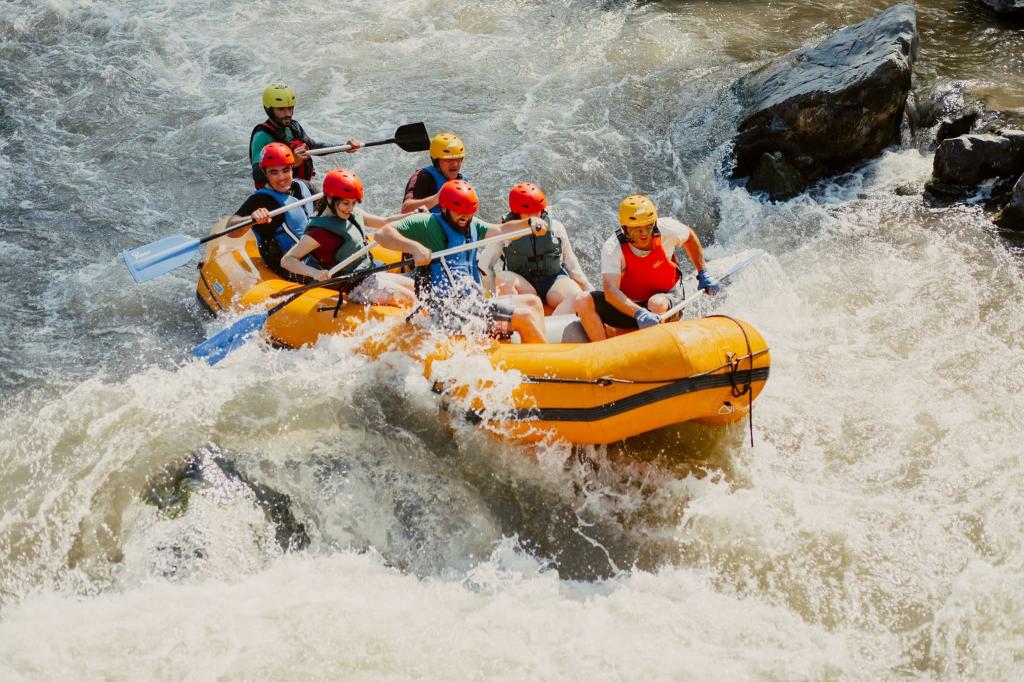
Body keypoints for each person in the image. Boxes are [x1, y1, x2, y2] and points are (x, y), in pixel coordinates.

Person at [374, 179, 549, 344]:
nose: (465, 217)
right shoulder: (426, 224)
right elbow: (382, 234)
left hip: (473, 303)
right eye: (460, 213)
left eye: (469, 213)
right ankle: (542, 359)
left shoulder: (472, 224)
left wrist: (528, 223)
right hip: (448, 312)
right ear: (444, 208)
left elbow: (501, 229)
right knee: (524, 317)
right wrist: (414, 247)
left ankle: (537, 351)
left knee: (533, 303)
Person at [573, 194, 721, 342]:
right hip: (632, 308)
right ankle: (603, 350)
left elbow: (689, 237)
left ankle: (656, 345)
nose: (644, 234)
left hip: (665, 300)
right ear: (625, 228)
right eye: (637, 229)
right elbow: (611, 292)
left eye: (648, 227)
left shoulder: (667, 229)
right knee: (583, 300)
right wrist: (639, 313)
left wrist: (703, 272)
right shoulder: (612, 248)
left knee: (656, 303)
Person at [279, 169, 418, 306]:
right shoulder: (319, 233)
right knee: (412, 300)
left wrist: (413, 216)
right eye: (345, 203)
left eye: (353, 203)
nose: (350, 208)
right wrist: (315, 273)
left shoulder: (351, 214)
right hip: (356, 288)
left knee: (417, 288)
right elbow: (287, 260)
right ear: (330, 198)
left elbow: (384, 222)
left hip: (369, 274)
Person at [479, 182, 593, 316]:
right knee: (501, 279)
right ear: (517, 213)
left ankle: (549, 326)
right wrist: (491, 297)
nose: (535, 217)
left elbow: (571, 263)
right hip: (523, 286)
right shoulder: (505, 232)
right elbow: (484, 266)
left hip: (553, 281)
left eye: (537, 211)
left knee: (575, 296)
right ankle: (517, 319)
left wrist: (590, 290)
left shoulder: (556, 228)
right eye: (528, 214)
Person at [249, 83, 361, 188]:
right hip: (275, 189)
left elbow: (314, 147)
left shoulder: (294, 127)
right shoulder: (262, 135)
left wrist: (344, 147)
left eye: (290, 108)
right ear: (269, 110)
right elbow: (257, 175)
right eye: (281, 109)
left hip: (297, 187)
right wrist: (292, 162)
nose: (288, 114)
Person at [228, 142, 314, 279]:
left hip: (316, 262)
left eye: (285, 170)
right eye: (274, 172)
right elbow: (231, 230)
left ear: (292, 168)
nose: (281, 178)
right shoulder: (260, 200)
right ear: (265, 173)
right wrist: (251, 219)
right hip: (288, 272)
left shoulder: (306, 187)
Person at [400, 132, 467, 213]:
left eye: (458, 159)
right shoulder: (424, 177)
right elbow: (405, 209)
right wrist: (437, 198)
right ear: (436, 161)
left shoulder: (462, 181)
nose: (455, 164)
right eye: (448, 159)